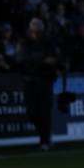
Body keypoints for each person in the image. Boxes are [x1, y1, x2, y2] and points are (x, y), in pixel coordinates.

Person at [16, 18, 58, 151]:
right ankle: (44, 134)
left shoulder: (48, 42)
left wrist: (38, 63)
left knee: (45, 111)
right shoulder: (24, 43)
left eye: (40, 31)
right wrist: (42, 61)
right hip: (30, 82)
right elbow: (24, 62)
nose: (38, 34)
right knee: (31, 112)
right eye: (35, 31)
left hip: (45, 81)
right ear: (31, 31)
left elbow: (53, 59)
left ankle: (44, 140)